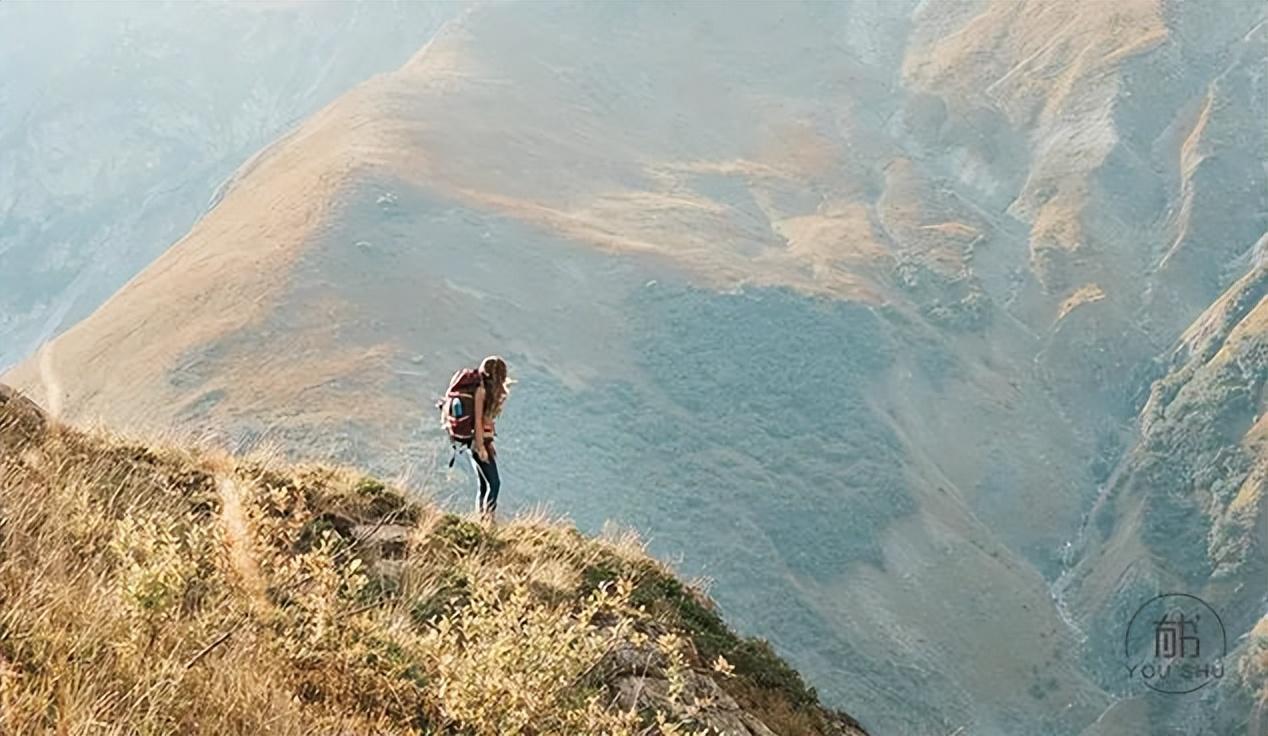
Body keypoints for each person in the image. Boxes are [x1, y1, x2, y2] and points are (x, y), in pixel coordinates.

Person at [469, 355, 511, 521]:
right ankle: (487, 520)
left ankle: (481, 519)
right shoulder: (481, 392)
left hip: (484, 442)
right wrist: (481, 448)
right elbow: (478, 422)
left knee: (485, 484)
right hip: (478, 443)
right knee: (495, 484)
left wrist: (489, 444)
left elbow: (486, 422)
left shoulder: (489, 393)